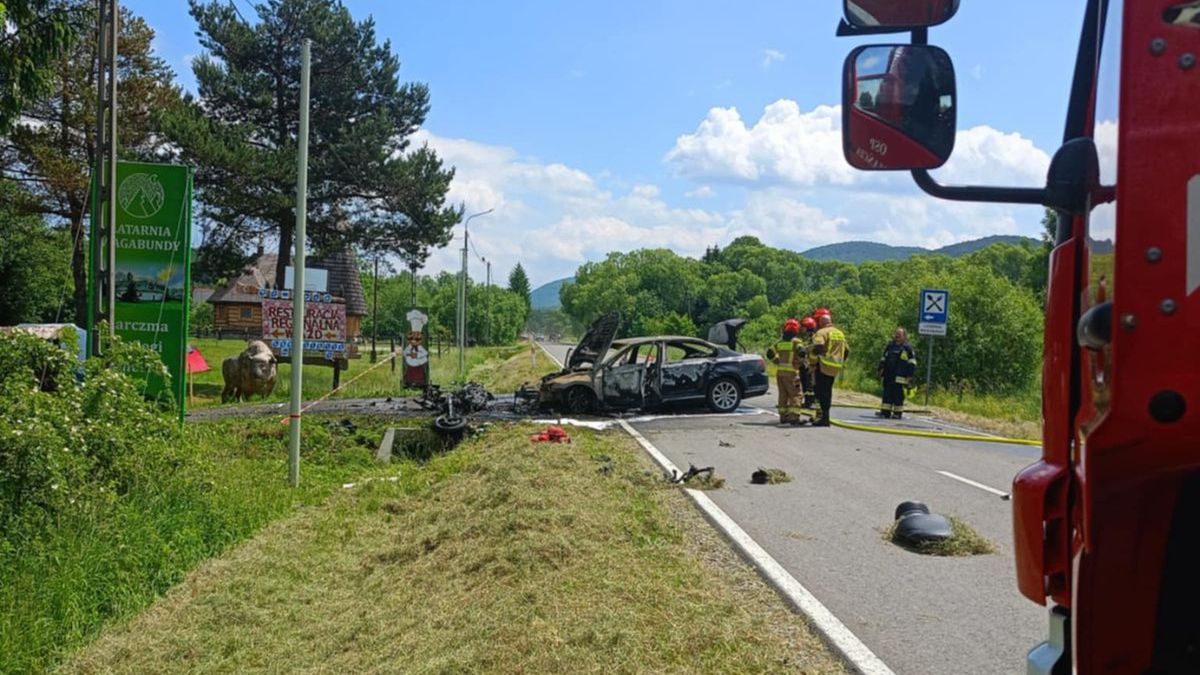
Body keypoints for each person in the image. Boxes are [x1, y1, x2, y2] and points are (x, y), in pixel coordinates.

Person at [809, 313, 849, 427]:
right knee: (827, 391)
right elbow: (846, 351)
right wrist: (840, 361)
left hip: (823, 366)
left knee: (820, 392)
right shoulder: (840, 333)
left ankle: (824, 418)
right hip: (835, 367)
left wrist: (812, 360)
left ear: (821, 323)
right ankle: (822, 416)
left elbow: (818, 347)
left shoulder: (821, 332)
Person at [767, 319, 804, 425]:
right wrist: (800, 363)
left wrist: (776, 361)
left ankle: (783, 417)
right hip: (792, 374)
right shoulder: (796, 342)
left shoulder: (779, 343)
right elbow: (802, 352)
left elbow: (769, 353)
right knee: (796, 395)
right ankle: (794, 418)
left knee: (783, 395)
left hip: (780, 373)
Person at [877, 327, 916, 419]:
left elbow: (912, 362)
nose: (897, 336)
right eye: (896, 334)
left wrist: (910, 375)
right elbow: (883, 358)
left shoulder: (907, 348)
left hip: (900, 377)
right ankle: (885, 412)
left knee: (898, 396)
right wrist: (880, 369)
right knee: (886, 395)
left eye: (899, 334)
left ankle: (897, 413)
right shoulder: (890, 346)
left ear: (904, 336)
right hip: (888, 376)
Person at [799, 316, 818, 409]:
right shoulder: (812, 335)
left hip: (812, 365)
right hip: (812, 364)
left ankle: (809, 402)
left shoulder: (812, 336)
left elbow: (812, 348)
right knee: (810, 383)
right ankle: (810, 401)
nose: (801, 329)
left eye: (803, 326)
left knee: (809, 384)